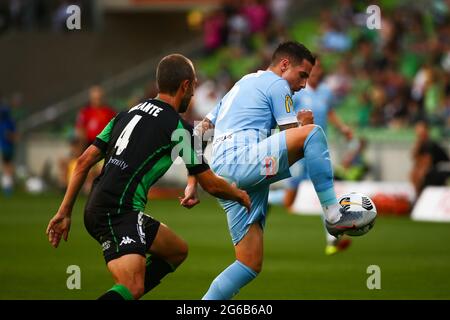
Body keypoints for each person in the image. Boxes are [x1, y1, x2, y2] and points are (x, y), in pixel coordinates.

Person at [46, 54, 251, 300]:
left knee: (176, 251)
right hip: (117, 210)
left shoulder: (127, 114)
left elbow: (82, 162)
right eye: (194, 85)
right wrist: (240, 195)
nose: (194, 93)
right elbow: (210, 182)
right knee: (132, 286)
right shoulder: (177, 127)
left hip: (106, 205)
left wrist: (64, 212)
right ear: (184, 86)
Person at [195, 41, 374, 300]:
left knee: (249, 264)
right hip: (241, 159)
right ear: (284, 65)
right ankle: (333, 215)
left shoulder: (243, 82)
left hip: (226, 174)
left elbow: (203, 128)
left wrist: (194, 177)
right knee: (313, 133)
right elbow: (295, 137)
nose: (303, 84)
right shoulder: (277, 84)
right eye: (302, 75)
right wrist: (304, 126)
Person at [272, 58, 354, 256]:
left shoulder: (326, 91)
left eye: (319, 68)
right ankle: (263, 197)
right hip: (298, 150)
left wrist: (342, 128)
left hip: (317, 149)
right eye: (312, 69)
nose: (315, 72)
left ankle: (332, 240)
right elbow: (285, 115)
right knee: (290, 197)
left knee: (324, 191)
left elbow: (330, 111)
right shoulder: (298, 91)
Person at [410, 121, 450, 196]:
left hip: (443, 167)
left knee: (423, 175)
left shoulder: (430, 144)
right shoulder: (421, 143)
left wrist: (420, 174)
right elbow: (415, 157)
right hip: (435, 167)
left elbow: (427, 162)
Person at [0, 101, 17, 196]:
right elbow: (13, 135)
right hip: (7, 146)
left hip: (6, 146)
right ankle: (8, 186)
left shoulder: (4, 122)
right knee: (8, 167)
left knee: (7, 167)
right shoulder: (9, 122)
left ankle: (8, 187)